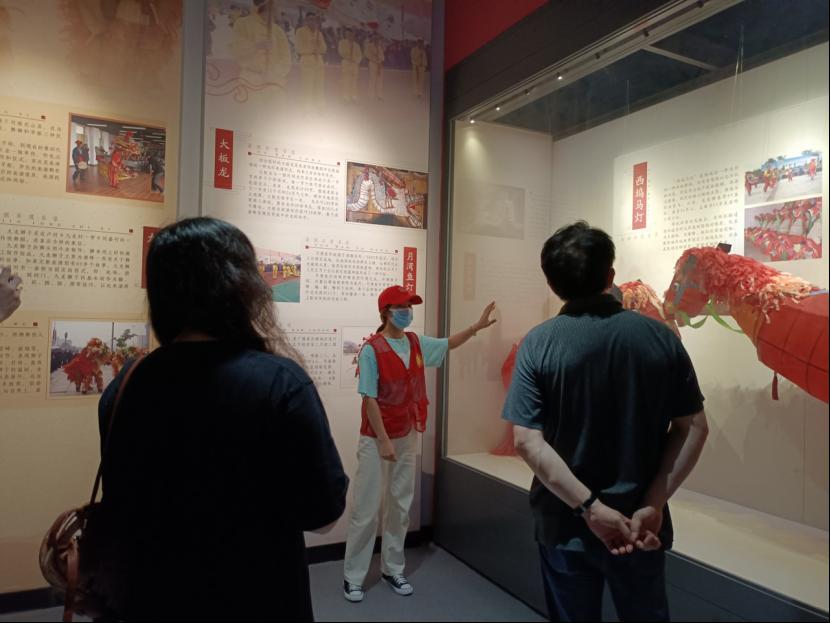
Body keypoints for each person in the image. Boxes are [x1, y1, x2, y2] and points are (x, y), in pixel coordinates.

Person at [95, 217, 348, 621]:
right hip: (257, 598)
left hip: (151, 598)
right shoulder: (280, 383)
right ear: (240, 287)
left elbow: (123, 499)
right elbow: (324, 513)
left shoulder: (128, 382)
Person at [503, 222, 708, 622]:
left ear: (551, 283)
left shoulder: (539, 343)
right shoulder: (660, 337)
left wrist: (590, 509)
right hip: (640, 524)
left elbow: (527, 441)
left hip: (565, 522)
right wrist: (653, 503)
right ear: (610, 276)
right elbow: (693, 427)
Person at [343, 286, 497, 602]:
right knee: (366, 508)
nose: (407, 312)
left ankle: (392, 569)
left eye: (409, 307)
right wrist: (384, 441)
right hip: (376, 439)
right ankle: (353, 577)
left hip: (407, 433)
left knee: (400, 505)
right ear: (386, 312)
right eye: (401, 307)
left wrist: (475, 328)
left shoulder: (414, 342)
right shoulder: (372, 349)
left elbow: (447, 343)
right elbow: (369, 399)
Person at [229, 0, 291, 90]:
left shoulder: (278, 31)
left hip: (274, 82)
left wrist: (276, 73)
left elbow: (286, 57)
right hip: (250, 80)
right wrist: (256, 46)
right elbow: (236, 50)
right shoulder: (242, 23)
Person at [295, 12, 326, 110]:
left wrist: (318, 49)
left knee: (319, 86)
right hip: (307, 61)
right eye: (309, 19)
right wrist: (311, 50)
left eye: (313, 19)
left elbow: (324, 48)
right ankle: (307, 107)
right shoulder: (300, 32)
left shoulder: (319, 33)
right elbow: (298, 48)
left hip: (319, 62)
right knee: (307, 86)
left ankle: (319, 106)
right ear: (306, 21)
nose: (312, 21)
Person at [338, 28, 362, 102]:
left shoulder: (356, 45)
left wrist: (356, 60)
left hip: (354, 64)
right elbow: (341, 52)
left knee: (354, 80)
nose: (349, 35)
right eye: (347, 34)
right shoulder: (342, 42)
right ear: (345, 34)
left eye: (351, 34)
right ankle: (346, 96)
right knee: (346, 80)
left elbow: (360, 55)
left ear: (353, 35)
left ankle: (354, 96)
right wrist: (349, 57)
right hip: (346, 62)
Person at [364, 33, 385, 100]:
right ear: (373, 38)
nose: (376, 39)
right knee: (372, 79)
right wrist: (375, 59)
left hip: (379, 65)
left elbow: (382, 56)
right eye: (375, 38)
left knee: (380, 80)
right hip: (373, 63)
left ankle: (379, 95)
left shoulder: (379, 47)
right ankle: (371, 95)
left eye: (377, 38)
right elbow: (367, 54)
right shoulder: (369, 46)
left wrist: (381, 61)